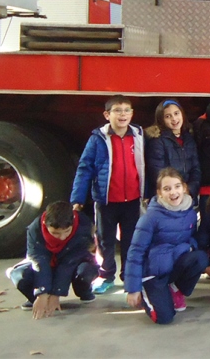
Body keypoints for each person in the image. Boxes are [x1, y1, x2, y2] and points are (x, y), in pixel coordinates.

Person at [70, 94, 144, 295]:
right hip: (106, 201)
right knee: (105, 240)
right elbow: (85, 168)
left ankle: (129, 275)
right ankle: (106, 275)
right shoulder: (98, 139)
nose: (123, 114)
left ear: (132, 114)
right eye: (117, 110)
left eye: (127, 110)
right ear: (106, 115)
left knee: (131, 240)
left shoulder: (138, 135)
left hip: (133, 200)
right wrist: (77, 198)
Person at [124, 168, 208, 325]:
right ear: (159, 193)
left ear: (184, 188)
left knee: (200, 258)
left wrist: (187, 247)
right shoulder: (150, 217)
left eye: (177, 186)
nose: (173, 192)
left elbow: (191, 238)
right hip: (154, 274)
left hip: (172, 265)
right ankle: (146, 291)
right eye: (167, 188)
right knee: (164, 318)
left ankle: (174, 288)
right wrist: (132, 288)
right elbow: (135, 252)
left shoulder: (189, 211)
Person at [7, 201, 99, 318]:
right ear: (45, 224)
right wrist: (42, 293)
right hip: (48, 264)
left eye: (67, 231)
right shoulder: (34, 230)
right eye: (55, 233)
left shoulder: (84, 226)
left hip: (73, 264)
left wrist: (57, 293)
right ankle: (35, 299)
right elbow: (39, 261)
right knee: (20, 275)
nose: (62, 237)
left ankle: (84, 291)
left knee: (86, 271)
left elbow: (70, 262)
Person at [145, 99, 201, 202]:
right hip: (168, 197)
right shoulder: (157, 141)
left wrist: (189, 189)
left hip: (187, 196)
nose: (174, 119)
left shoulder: (189, 138)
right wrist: (174, 191)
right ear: (161, 119)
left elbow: (196, 168)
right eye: (168, 116)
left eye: (176, 113)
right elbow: (157, 172)